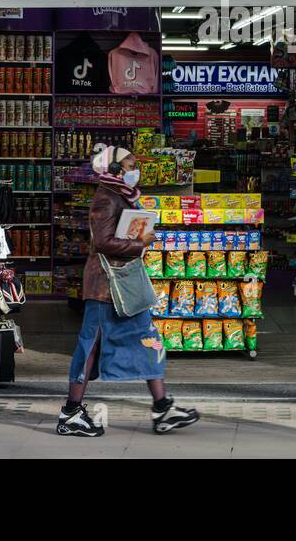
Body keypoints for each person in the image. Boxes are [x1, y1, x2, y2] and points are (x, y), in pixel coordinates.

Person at [57, 144, 200, 437]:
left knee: (148, 338)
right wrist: (141, 242)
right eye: (131, 165)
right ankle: (70, 413)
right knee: (91, 345)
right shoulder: (105, 199)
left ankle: (162, 407)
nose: (136, 171)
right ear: (115, 171)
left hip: (124, 282)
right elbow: (103, 242)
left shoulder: (120, 195)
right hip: (104, 286)